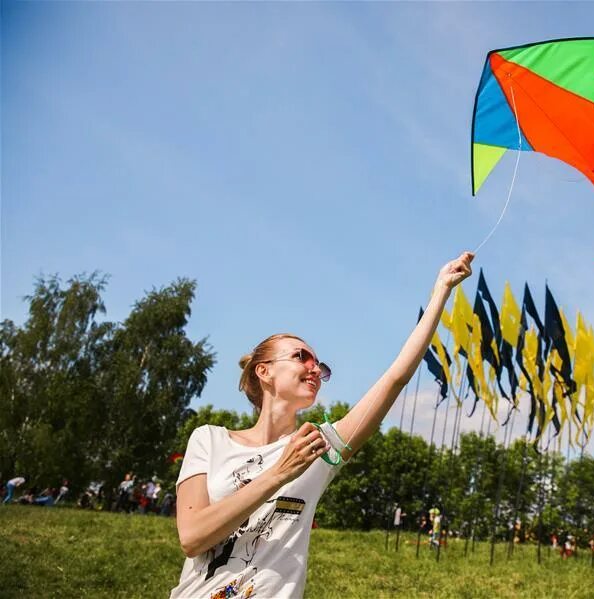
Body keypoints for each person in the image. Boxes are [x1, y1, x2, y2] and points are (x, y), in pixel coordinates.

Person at [170, 252, 474, 599]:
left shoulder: (319, 447)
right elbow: (192, 538)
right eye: (301, 357)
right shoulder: (209, 439)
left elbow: (395, 378)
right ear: (264, 371)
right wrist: (279, 473)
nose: (315, 368)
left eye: (320, 365)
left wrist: (441, 292)